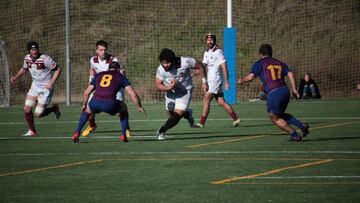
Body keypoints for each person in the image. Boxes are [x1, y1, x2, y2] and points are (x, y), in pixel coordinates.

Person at [237, 44, 309, 141]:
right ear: (271, 53)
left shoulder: (260, 63)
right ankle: (301, 126)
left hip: (274, 92)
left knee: (273, 118)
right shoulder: (279, 62)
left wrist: (241, 80)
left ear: (260, 54)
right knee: (279, 114)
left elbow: (250, 77)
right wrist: (294, 89)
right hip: (285, 90)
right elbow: (290, 74)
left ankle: (294, 135)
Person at [72, 61, 146, 143]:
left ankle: (76, 133)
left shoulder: (99, 75)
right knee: (124, 108)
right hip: (109, 104)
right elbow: (133, 94)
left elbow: (86, 93)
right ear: (118, 69)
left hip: (95, 102)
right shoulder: (120, 76)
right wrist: (139, 106)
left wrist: (84, 105)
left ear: (108, 68)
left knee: (87, 111)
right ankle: (123, 135)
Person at [82, 40, 131, 138]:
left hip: (115, 88)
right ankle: (92, 125)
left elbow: (122, 72)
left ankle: (126, 128)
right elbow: (92, 69)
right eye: (101, 50)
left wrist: (119, 85)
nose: (103, 52)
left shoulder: (114, 60)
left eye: (105, 50)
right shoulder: (93, 60)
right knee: (88, 108)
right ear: (97, 51)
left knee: (119, 111)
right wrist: (91, 81)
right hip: (99, 87)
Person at [10, 41, 61, 136]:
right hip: (35, 86)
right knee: (27, 109)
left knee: (39, 114)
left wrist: (51, 82)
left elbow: (58, 69)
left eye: (36, 49)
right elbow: (24, 68)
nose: (35, 51)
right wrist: (16, 77)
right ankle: (32, 131)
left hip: (45, 88)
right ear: (29, 51)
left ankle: (54, 108)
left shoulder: (45, 59)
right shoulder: (27, 58)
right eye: (32, 50)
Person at [155, 48, 208, 140]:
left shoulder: (185, 62)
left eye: (168, 62)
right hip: (170, 92)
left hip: (184, 91)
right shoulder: (161, 69)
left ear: (173, 60)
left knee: (177, 116)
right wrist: (169, 88)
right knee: (171, 114)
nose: (166, 65)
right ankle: (188, 114)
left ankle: (161, 131)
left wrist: (204, 82)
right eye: (163, 62)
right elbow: (158, 85)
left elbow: (200, 65)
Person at [195, 33, 241, 128]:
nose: (209, 41)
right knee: (221, 101)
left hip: (215, 80)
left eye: (211, 39)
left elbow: (224, 67)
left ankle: (201, 123)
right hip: (211, 80)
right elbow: (203, 66)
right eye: (208, 40)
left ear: (214, 41)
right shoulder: (207, 52)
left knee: (206, 99)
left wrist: (227, 82)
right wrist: (192, 72)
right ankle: (236, 119)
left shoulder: (218, 52)